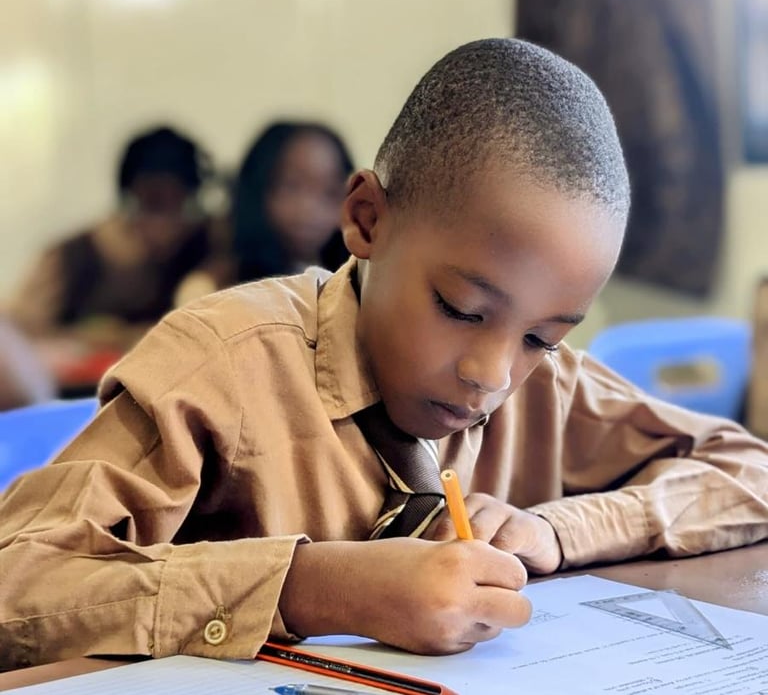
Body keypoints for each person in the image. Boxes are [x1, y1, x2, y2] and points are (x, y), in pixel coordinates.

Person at [1, 39, 767, 670]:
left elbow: (752, 473)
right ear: (367, 220)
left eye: (541, 337)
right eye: (462, 310)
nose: (492, 375)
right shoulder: (224, 366)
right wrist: (309, 587)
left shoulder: (547, 388)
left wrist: (563, 531)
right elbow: (16, 582)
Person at [4, 125, 216, 387]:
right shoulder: (73, 256)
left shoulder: (205, 245)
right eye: (153, 204)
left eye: (178, 206)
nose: (164, 227)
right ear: (128, 199)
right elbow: (13, 337)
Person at [175, 121, 353, 305]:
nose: (309, 207)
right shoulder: (211, 287)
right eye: (292, 185)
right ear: (256, 189)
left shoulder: (351, 286)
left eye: (330, 192)